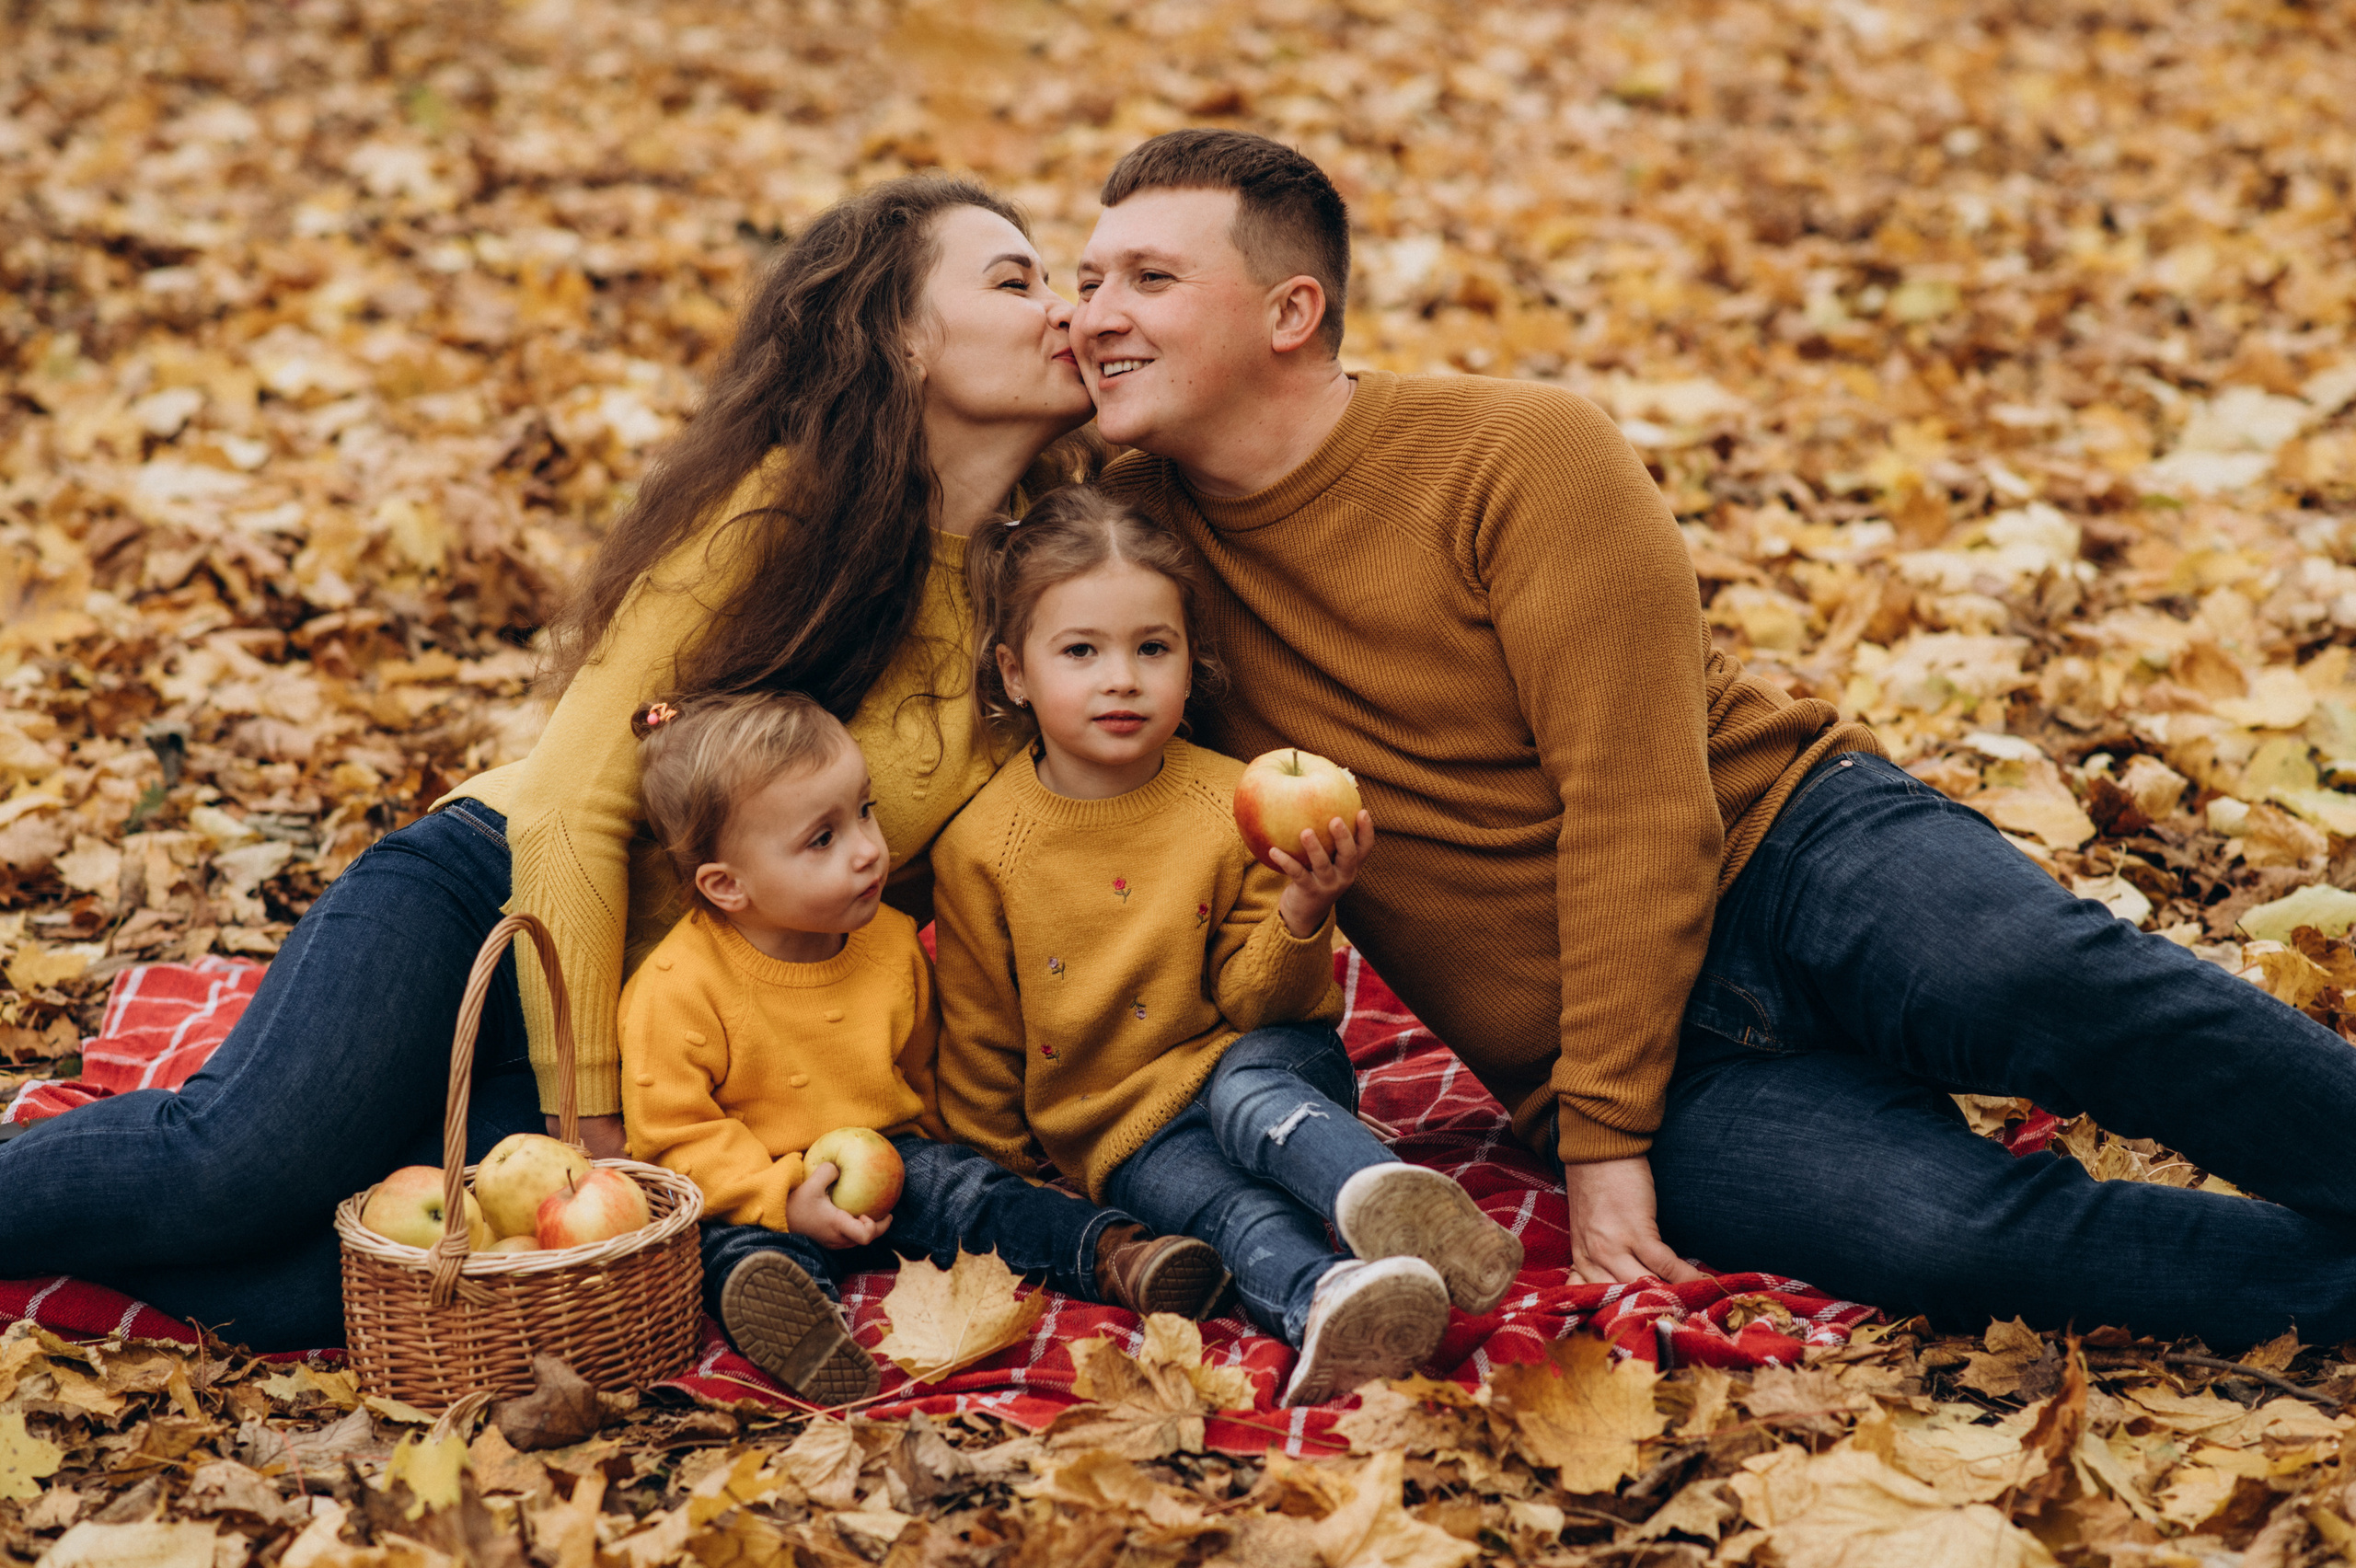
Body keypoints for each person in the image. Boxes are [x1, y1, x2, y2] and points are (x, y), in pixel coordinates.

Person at [1073, 128, 2356, 1347]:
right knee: (1938, 1236)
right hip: (1644, 1064)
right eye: (1080, 285)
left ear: (1290, 312)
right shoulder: (1129, 564)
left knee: (2035, 976)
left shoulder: (1515, 451)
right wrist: (1608, 1103)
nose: (1095, 315)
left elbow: (1637, 801)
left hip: (1786, 855)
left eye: (1148, 278)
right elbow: (949, 493)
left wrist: (1604, 1141)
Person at [0, 174, 1105, 1349]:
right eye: (1014, 280)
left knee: (352, 1290)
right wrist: (593, 1121)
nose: (1063, 308)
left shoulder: (1034, 606)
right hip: (491, 903)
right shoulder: (783, 515)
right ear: (899, 338)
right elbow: (573, 809)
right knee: (235, 1170)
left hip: (663, 1020)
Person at [930, 487, 1524, 1407]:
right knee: (1222, 1208)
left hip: (1263, 1059)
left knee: (1249, 1098)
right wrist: (1006, 1169)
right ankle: (1329, 1300)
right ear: (1013, 672)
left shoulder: (1231, 801)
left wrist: (1301, 905)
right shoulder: (982, 845)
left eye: (1150, 649)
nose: (1119, 677)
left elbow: (1264, 1005)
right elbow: (979, 1026)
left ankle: (1394, 1202)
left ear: (1187, 661)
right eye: (1081, 651)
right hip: (1121, 1122)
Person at [618, 691, 1222, 1403]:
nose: (869, 849)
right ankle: (811, 1336)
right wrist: (781, 1197)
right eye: (824, 839)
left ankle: (1117, 1255)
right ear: (727, 886)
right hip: (765, 1188)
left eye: (864, 811)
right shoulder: (677, 987)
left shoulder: (890, 943)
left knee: (977, 1196)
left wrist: (955, 1154)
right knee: (738, 1255)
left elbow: (924, 1068)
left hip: (892, 1160)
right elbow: (671, 1137)